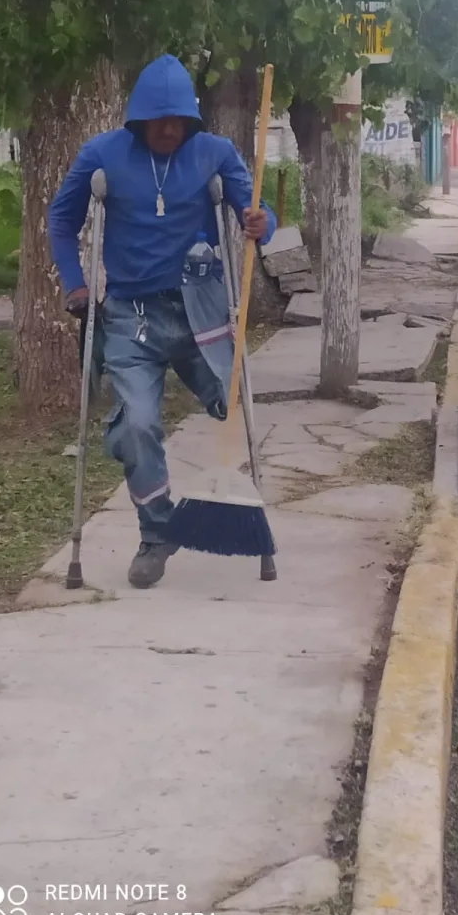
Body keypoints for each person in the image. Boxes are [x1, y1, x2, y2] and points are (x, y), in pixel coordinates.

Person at [48, 54, 276, 589]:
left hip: (201, 307)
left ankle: (239, 518)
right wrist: (74, 281)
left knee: (232, 404)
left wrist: (261, 223)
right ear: (139, 118)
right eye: (160, 119)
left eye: (180, 120)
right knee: (137, 424)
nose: (170, 129)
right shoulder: (102, 155)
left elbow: (257, 220)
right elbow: (61, 220)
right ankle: (157, 533)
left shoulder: (213, 153)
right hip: (132, 317)